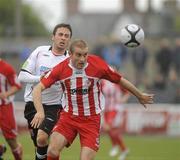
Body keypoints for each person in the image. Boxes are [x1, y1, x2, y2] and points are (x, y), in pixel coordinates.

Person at [32, 39, 154, 160]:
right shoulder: (60, 69)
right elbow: (38, 89)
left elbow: (120, 80)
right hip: (68, 117)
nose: (82, 59)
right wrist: (40, 111)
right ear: (70, 54)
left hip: (91, 120)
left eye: (85, 54)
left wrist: (139, 95)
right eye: (78, 55)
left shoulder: (97, 65)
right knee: (52, 151)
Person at [18, 23, 72, 160]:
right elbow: (22, 76)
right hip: (33, 104)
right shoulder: (39, 51)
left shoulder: (70, 60)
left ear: (69, 40)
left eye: (66, 36)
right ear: (53, 37)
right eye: (60, 34)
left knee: (44, 139)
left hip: (55, 106)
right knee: (40, 144)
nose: (63, 38)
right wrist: (41, 79)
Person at [101, 79, 130, 160]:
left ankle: (118, 147)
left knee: (108, 127)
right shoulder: (103, 82)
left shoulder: (117, 82)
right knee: (109, 129)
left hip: (115, 108)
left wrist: (123, 99)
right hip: (106, 109)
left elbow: (127, 92)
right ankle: (122, 149)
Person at [0, 58, 23, 160]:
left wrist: (6, 94)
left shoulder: (6, 68)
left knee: (11, 139)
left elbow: (17, 85)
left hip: (5, 107)